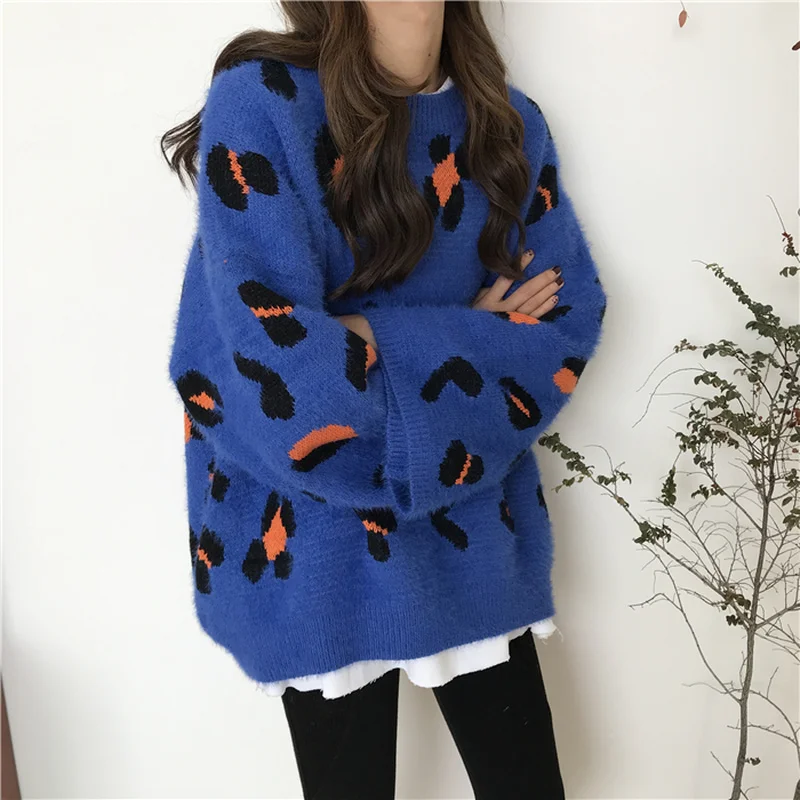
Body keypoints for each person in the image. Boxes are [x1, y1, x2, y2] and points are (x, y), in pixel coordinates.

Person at [162, 2, 607, 797]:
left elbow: (559, 334)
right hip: (313, 544)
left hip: (475, 531)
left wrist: (362, 338)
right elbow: (274, 375)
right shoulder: (265, 101)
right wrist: (470, 337)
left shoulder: (507, 126)